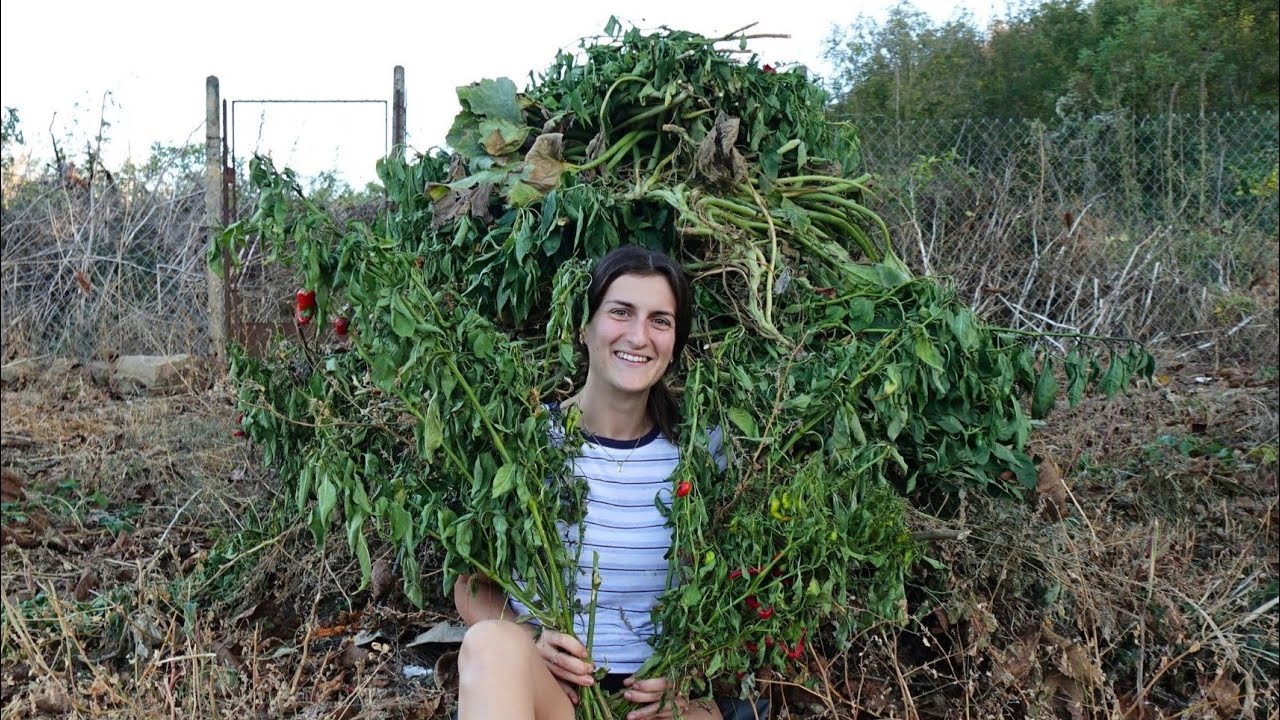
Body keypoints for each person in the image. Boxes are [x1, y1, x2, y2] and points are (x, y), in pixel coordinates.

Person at [453, 245, 725, 720]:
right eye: (620, 312)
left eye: (660, 321)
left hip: (656, 702)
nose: (638, 336)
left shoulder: (701, 452)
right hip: (555, 693)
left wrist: (690, 670)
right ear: (584, 325)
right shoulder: (525, 441)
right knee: (490, 645)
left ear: (675, 343)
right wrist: (530, 639)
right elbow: (471, 584)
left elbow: (727, 591)